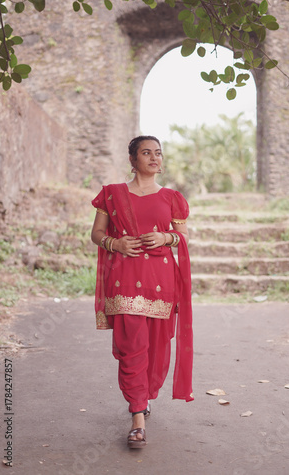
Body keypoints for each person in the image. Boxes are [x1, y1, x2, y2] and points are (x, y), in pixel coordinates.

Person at [91, 135, 193, 449]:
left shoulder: (172, 198)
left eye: (158, 153)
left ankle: (144, 397)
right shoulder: (111, 194)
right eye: (146, 153)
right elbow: (96, 233)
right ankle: (138, 416)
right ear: (133, 160)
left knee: (158, 351)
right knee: (131, 348)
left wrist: (165, 238)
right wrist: (115, 243)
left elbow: (182, 236)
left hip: (162, 283)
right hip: (124, 280)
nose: (153, 158)